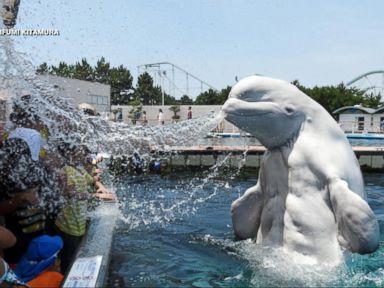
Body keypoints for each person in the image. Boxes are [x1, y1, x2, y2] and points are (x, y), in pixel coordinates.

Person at [55, 144, 115, 274]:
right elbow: (72, 194)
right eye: (80, 154)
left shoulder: (80, 170)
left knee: (77, 253)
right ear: (70, 155)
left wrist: (101, 187)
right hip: (68, 224)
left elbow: (92, 180)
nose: (83, 157)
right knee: (68, 259)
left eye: (84, 155)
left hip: (79, 221)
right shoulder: (64, 171)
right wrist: (98, 195)